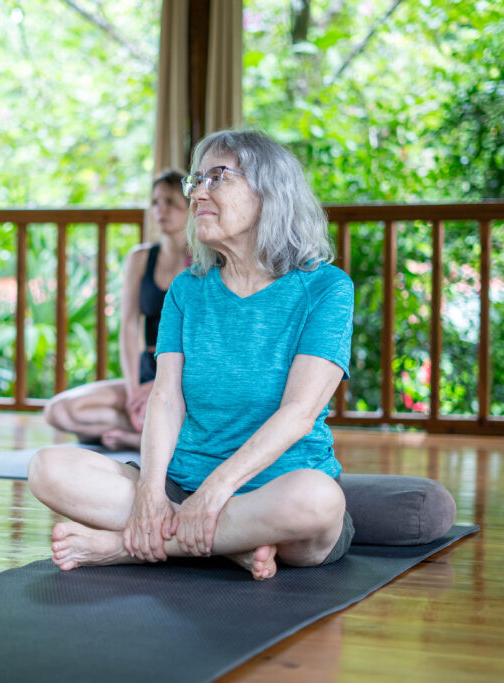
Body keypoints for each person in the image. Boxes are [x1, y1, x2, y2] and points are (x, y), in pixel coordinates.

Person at [28, 130, 355, 580]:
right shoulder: (187, 288)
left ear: (269, 193)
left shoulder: (326, 288)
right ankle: (227, 544)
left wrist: (217, 490)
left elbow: (299, 413)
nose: (198, 192)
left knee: (317, 500)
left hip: (275, 490)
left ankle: (130, 547)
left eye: (217, 178)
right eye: (196, 181)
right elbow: (165, 399)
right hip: (181, 486)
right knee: (49, 467)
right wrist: (149, 491)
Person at [43, 170, 192, 450]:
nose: (161, 209)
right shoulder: (141, 258)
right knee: (58, 411)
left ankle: (141, 435)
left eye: (170, 202)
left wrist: (164, 384)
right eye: (156, 202)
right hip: (147, 367)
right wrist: (134, 387)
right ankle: (145, 433)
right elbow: (128, 326)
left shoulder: (206, 262)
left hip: (185, 378)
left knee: (197, 416)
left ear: (191, 207)